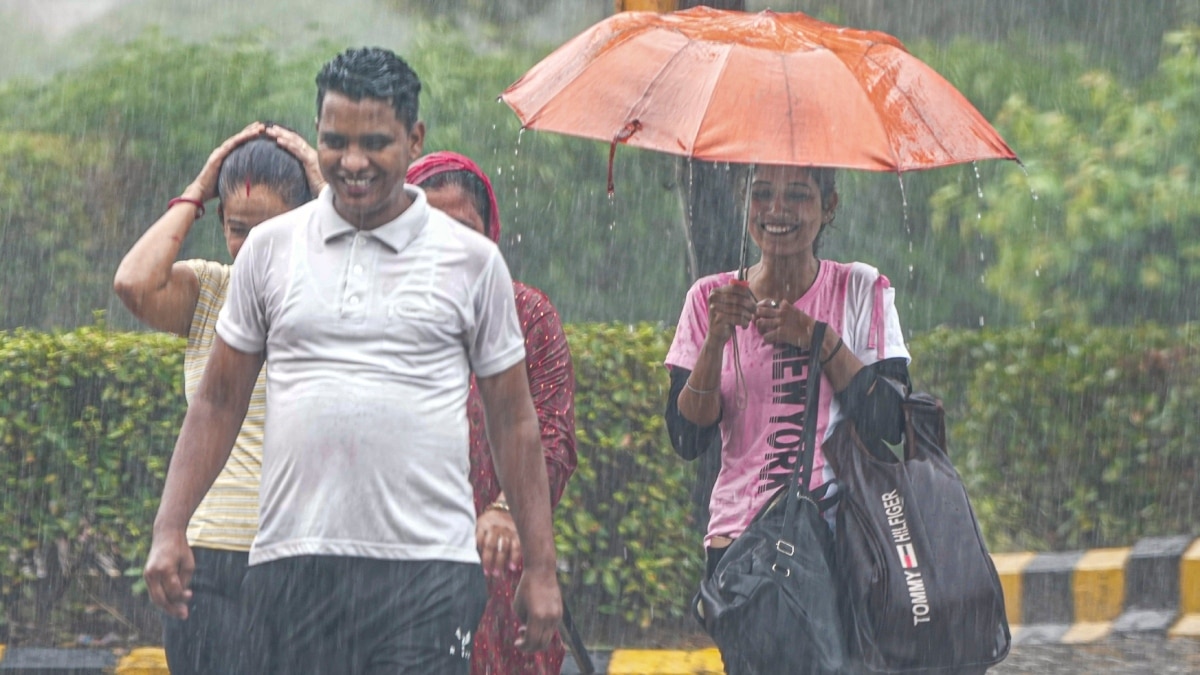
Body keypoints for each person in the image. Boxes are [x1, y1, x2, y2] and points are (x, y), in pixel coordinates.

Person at [142, 46, 562, 675]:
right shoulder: (272, 251)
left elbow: (514, 421)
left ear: (414, 138)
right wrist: (169, 527)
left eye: (376, 141)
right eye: (336, 141)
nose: (354, 161)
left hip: (429, 570)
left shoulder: (471, 262)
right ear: (317, 135)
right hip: (293, 565)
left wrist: (542, 566)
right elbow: (218, 400)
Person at [664, 164, 912, 673]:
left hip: (843, 545)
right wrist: (715, 339)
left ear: (829, 206)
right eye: (762, 194)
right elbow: (687, 436)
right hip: (744, 552)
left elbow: (890, 421)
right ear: (744, 202)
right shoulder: (708, 299)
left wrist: (818, 339)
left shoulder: (860, 290)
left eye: (798, 195)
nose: (777, 211)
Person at [113, 122, 319, 674]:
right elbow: (133, 283)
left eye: (272, 228)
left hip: (306, 555)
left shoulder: (336, 296)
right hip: (209, 562)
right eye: (237, 228)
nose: (253, 246)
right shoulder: (211, 292)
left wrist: (326, 188)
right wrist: (201, 187)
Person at [407, 151, 577, 675]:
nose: (448, 248)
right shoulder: (382, 318)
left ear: (491, 235)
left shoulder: (526, 314)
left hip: (501, 562)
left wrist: (505, 513)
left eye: (464, 231)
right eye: (427, 228)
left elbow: (551, 437)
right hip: (398, 561)